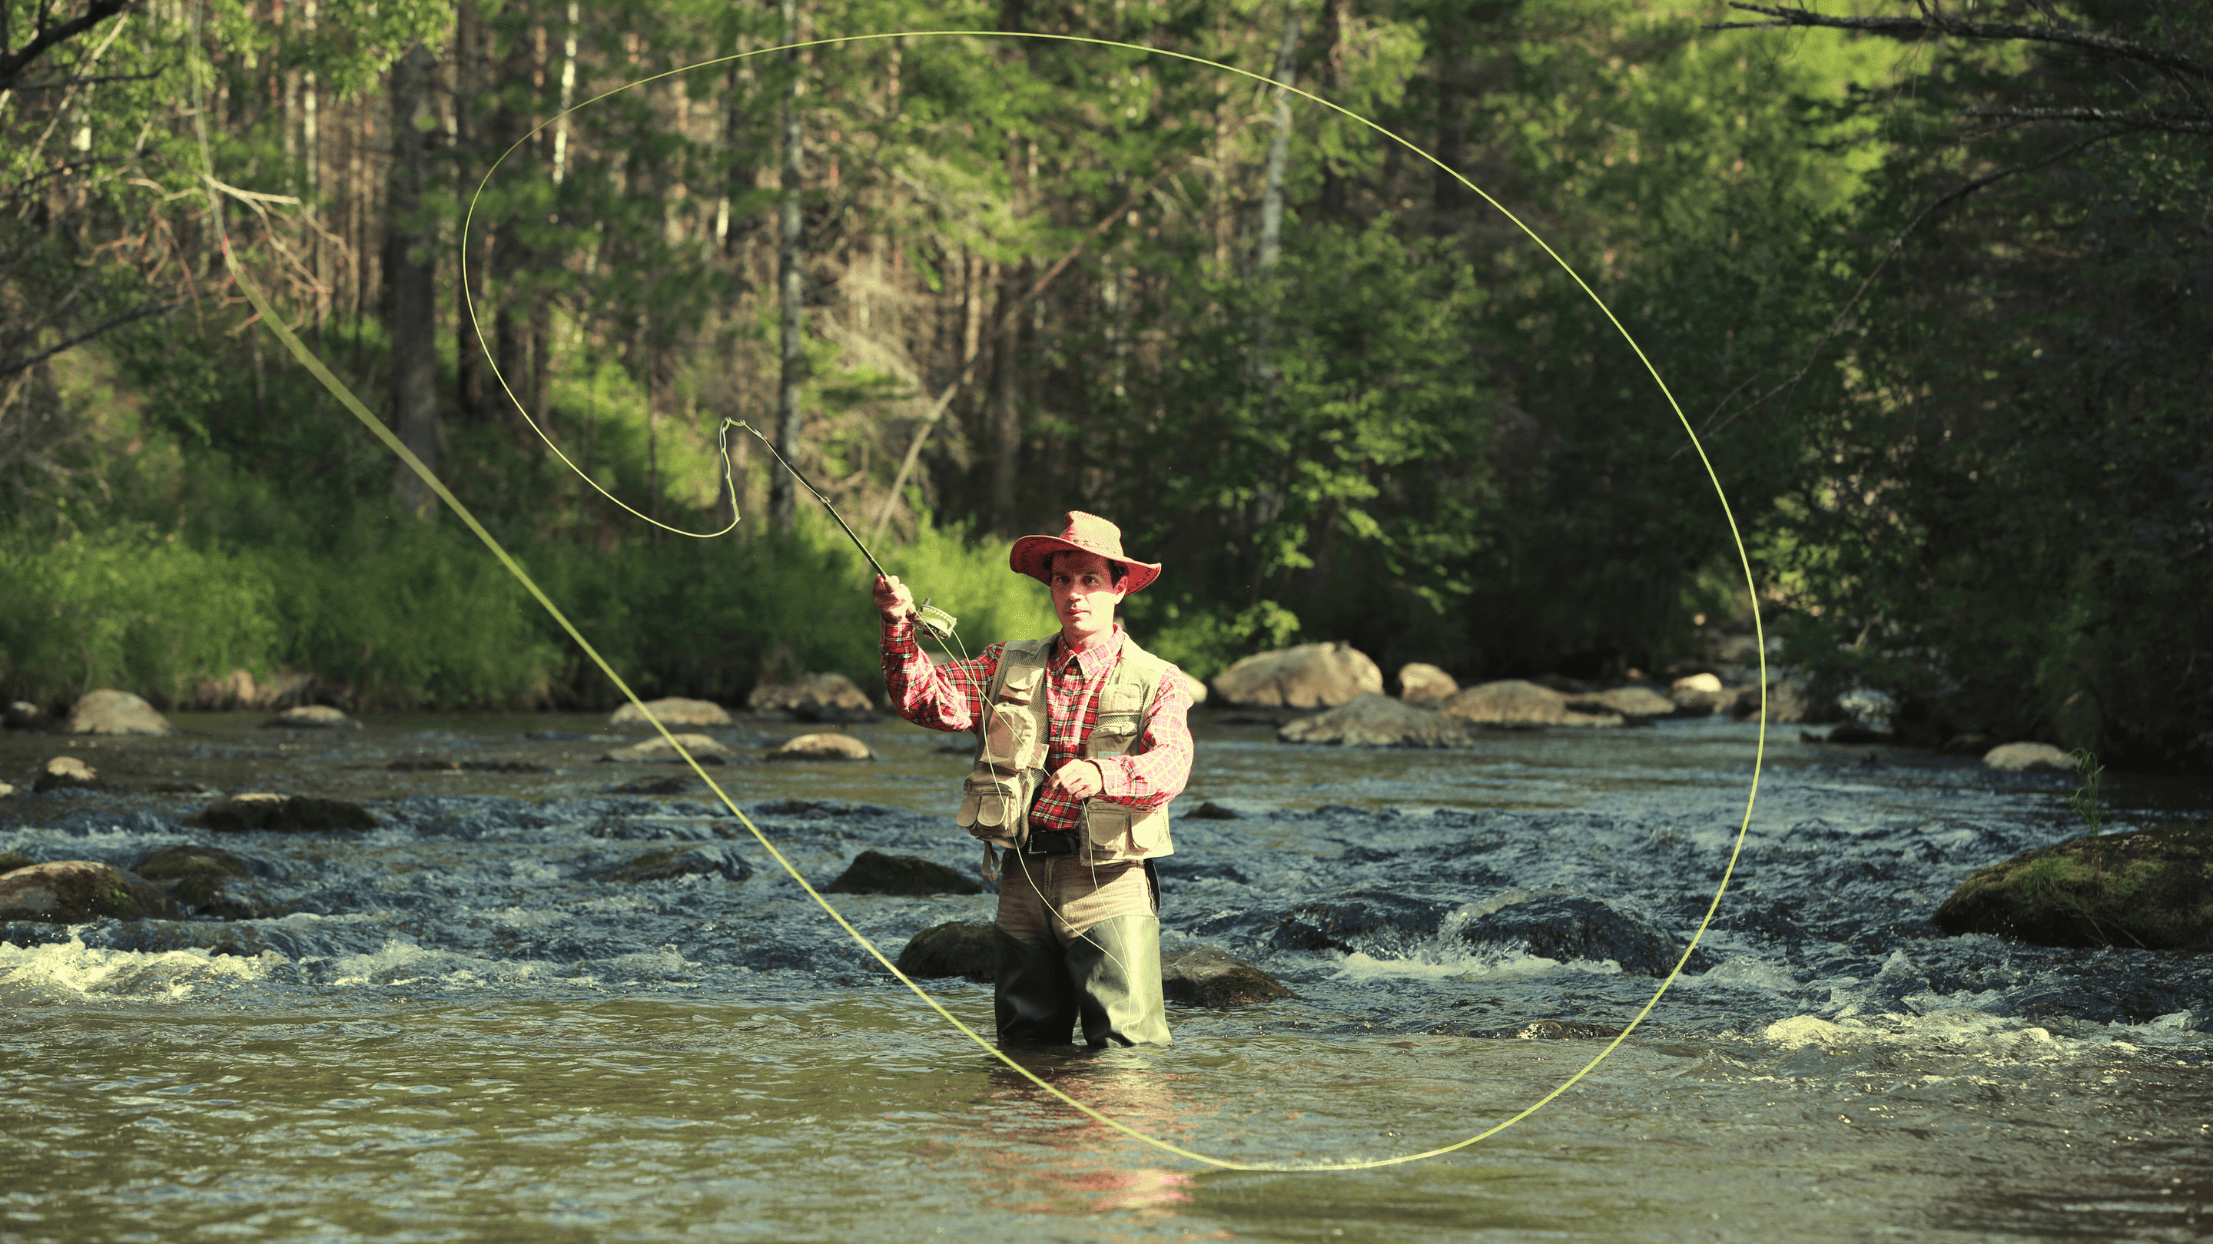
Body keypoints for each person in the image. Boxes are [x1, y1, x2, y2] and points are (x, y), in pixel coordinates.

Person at [874, 511, 1194, 1047]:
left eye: (1090, 580)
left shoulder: (1158, 679)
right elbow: (922, 699)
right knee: (1023, 1054)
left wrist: (1102, 772)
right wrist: (897, 625)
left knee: (1127, 1056)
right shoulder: (1005, 663)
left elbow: (1172, 763)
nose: (1074, 594)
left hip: (1109, 885)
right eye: (1062, 580)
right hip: (1022, 884)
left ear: (1119, 588)